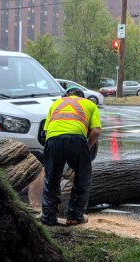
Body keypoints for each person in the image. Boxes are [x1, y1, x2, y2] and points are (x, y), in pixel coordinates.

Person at [41, 86, 102, 226]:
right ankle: (74, 216)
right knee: (82, 178)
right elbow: (96, 132)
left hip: (53, 139)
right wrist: (86, 148)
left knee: (51, 179)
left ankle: (48, 218)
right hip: (77, 140)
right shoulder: (90, 104)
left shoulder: (55, 104)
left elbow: (46, 131)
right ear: (82, 97)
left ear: (66, 95)